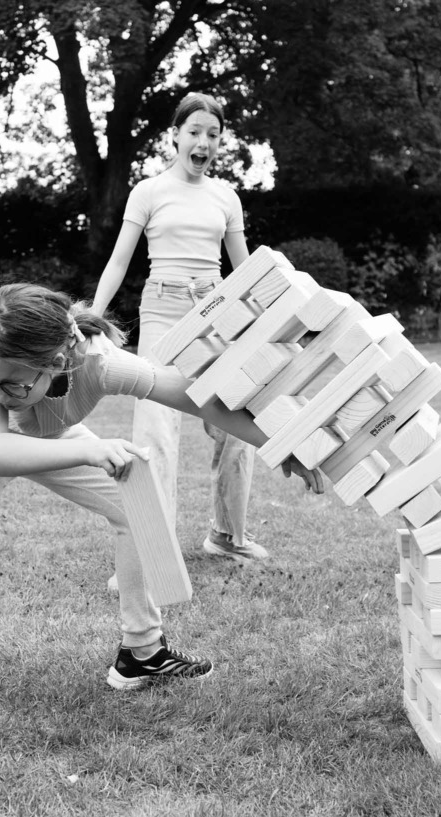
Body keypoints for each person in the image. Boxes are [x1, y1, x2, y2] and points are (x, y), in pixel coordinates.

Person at [0, 282, 322, 751]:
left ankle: (141, 653)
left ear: (61, 356)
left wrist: (284, 446)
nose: (1, 389)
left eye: (15, 383)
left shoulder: (101, 363)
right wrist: (86, 449)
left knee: (136, 506)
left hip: (50, 427)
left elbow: (198, 398)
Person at [91, 92, 262, 563]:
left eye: (213, 134)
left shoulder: (226, 198)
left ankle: (228, 535)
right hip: (163, 313)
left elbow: (244, 270)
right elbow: (120, 259)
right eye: (194, 132)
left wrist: (257, 321)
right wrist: (94, 315)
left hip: (215, 315)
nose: (203, 142)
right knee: (156, 435)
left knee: (237, 425)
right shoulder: (149, 192)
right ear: (175, 136)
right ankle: (154, 549)